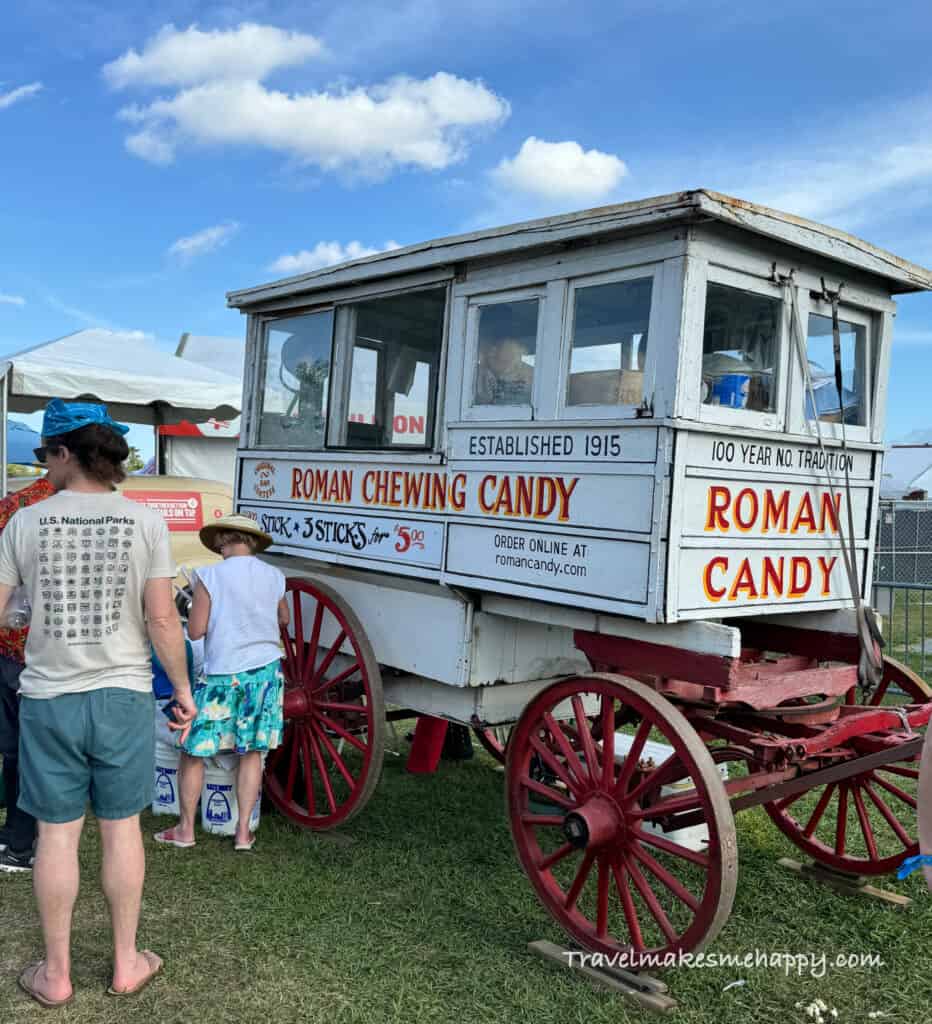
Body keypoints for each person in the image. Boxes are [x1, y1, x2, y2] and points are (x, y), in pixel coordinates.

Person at [0, 399, 195, 1008]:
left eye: (45, 456)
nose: (43, 469)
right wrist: (183, 689)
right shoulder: (145, 522)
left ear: (64, 452)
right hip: (123, 696)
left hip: (50, 698)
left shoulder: (23, 523)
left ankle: (56, 974)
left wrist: (28, 616)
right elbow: (163, 619)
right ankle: (126, 962)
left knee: (57, 836)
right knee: (121, 831)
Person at [154, 514, 288, 853]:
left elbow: (196, 630)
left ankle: (185, 829)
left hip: (222, 675)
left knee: (194, 751)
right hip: (265, 675)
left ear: (222, 541)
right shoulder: (274, 576)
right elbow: (283, 618)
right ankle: (243, 832)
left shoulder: (209, 576)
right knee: (252, 753)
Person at [0, 476, 55, 873]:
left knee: (18, 749)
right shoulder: (107, 511)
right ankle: (20, 836)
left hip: (15, 647)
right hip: (60, 652)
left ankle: (20, 841)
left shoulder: (17, 506)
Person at [474, 306, 535, 406]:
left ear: (518, 347)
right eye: (484, 343)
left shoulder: (535, 378)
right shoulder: (473, 377)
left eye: (497, 344)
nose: (489, 351)